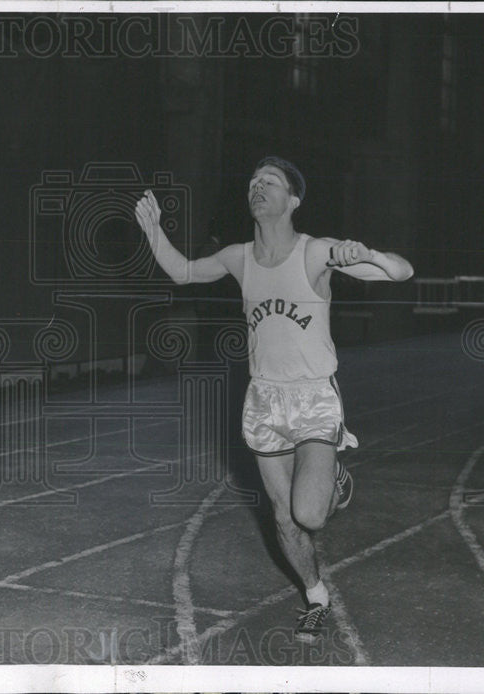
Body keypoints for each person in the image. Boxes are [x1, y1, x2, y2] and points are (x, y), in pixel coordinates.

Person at [134, 156, 413, 642]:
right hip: (263, 400)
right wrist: (154, 231)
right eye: (252, 182)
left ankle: (335, 478)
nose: (256, 187)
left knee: (309, 513)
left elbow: (400, 272)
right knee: (283, 518)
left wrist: (365, 253)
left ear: (293, 200)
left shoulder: (315, 252)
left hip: (312, 398)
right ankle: (315, 596)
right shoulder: (238, 257)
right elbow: (182, 272)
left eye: (269, 182)